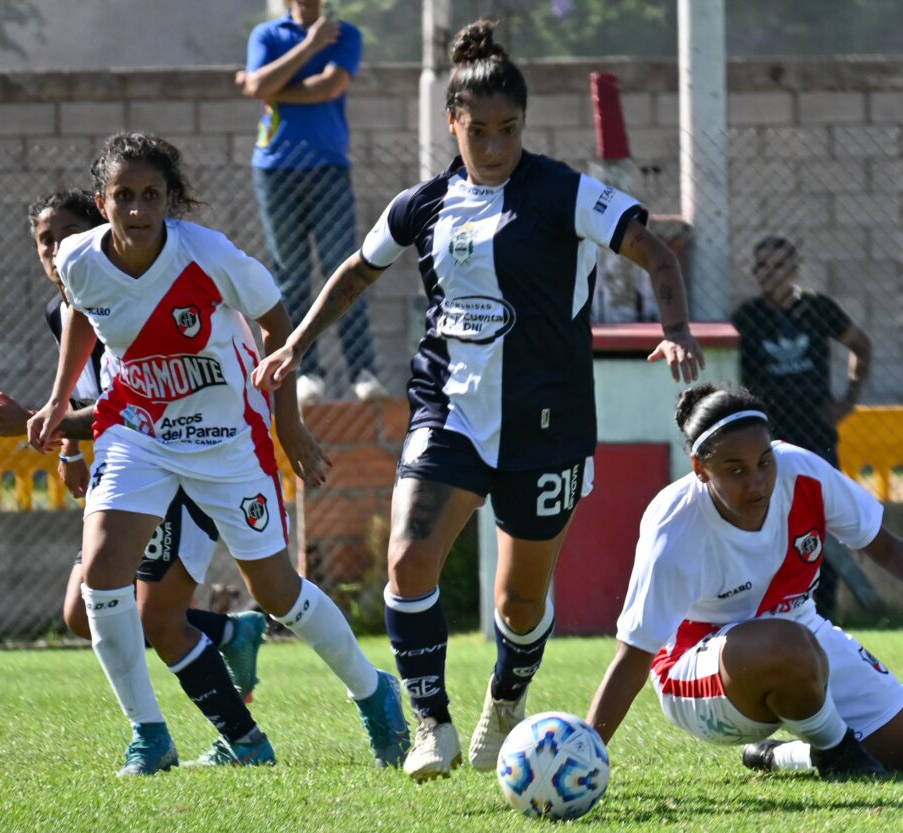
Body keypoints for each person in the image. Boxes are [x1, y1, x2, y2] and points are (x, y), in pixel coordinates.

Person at [251, 19, 704, 782]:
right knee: (407, 556)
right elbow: (358, 270)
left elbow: (652, 247)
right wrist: (296, 340)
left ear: (523, 125)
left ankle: (506, 698)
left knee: (521, 602)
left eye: (508, 129)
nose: (494, 144)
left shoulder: (565, 192)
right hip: (449, 410)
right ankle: (431, 722)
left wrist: (678, 328)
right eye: (479, 129)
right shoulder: (424, 205)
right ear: (453, 124)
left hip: (547, 422)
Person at [25, 133, 409, 775]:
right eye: (124, 196)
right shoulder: (77, 257)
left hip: (227, 436)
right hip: (139, 431)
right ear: (103, 201)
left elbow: (278, 323)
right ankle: (150, 735)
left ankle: (375, 694)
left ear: (170, 202)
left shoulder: (207, 256)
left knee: (278, 591)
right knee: (100, 575)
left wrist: (288, 426)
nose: (138, 209)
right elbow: (79, 312)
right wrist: (59, 401)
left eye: (152, 196)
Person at [586, 383, 903, 778]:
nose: (757, 482)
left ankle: (781, 755)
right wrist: (586, 751)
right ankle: (837, 751)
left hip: (797, 636)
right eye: (736, 470)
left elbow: (884, 545)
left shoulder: (803, 472)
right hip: (695, 672)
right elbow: (633, 659)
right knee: (786, 643)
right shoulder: (674, 525)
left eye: (764, 461)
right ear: (700, 469)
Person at [0, 189, 268, 706]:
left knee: (157, 616)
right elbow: (87, 393)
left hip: (185, 456)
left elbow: (133, 402)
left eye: (65, 236)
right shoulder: (64, 308)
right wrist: (67, 450)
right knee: (81, 613)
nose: (54, 250)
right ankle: (227, 636)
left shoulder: (140, 288)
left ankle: (238, 736)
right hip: (129, 463)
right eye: (44, 241)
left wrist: (37, 423)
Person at [240, 0, 382, 403]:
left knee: (347, 267)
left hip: (328, 166)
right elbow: (257, 87)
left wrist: (270, 87)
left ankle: (363, 371)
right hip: (275, 168)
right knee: (291, 276)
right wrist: (307, 48)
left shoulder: (345, 34)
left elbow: (329, 86)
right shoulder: (266, 35)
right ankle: (305, 371)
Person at [732, 235, 872, 619]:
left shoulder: (818, 308)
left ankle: (823, 611)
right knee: (766, 522)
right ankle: (769, 610)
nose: (770, 273)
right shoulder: (747, 317)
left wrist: (848, 400)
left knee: (821, 519)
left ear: (794, 269)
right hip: (764, 440)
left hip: (814, 434)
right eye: (763, 266)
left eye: (779, 265)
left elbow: (861, 345)